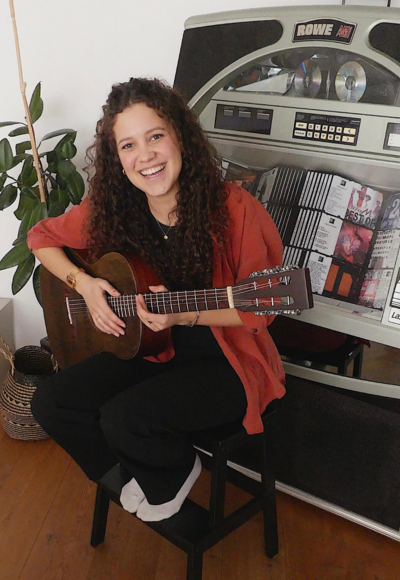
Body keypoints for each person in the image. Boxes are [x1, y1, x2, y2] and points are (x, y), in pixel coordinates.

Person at [28, 78, 285, 522]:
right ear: (117, 159)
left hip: (227, 361)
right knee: (52, 402)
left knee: (123, 418)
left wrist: (183, 315)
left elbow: (265, 308)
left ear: (179, 136)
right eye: (128, 145)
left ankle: (175, 469)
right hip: (151, 348)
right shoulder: (114, 207)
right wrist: (84, 284)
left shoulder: (235, 208)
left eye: (155, 136)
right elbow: (40, 238)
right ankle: (133, 472)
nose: (144, 155)